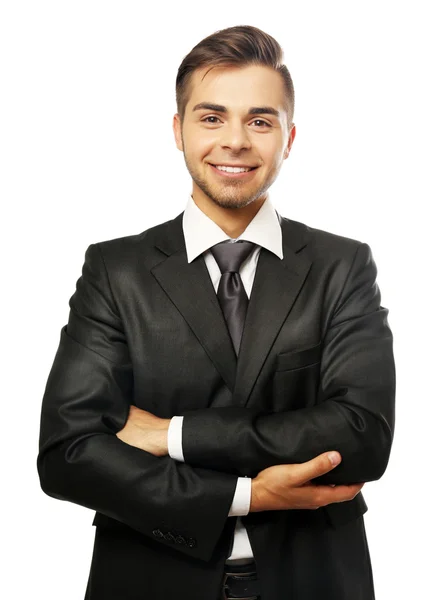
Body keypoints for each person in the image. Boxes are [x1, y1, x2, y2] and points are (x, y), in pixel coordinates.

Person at [37, 24, 395, 600]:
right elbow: (68, 454)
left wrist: (173, 434)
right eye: (211, 118)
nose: (235, 140)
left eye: (260, 120)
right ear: (178, 131)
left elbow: (363, 436)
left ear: (289, 136)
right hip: (148, 578)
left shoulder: (342, 266)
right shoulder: (115, 270)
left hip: (315, 579)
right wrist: (250, 495)